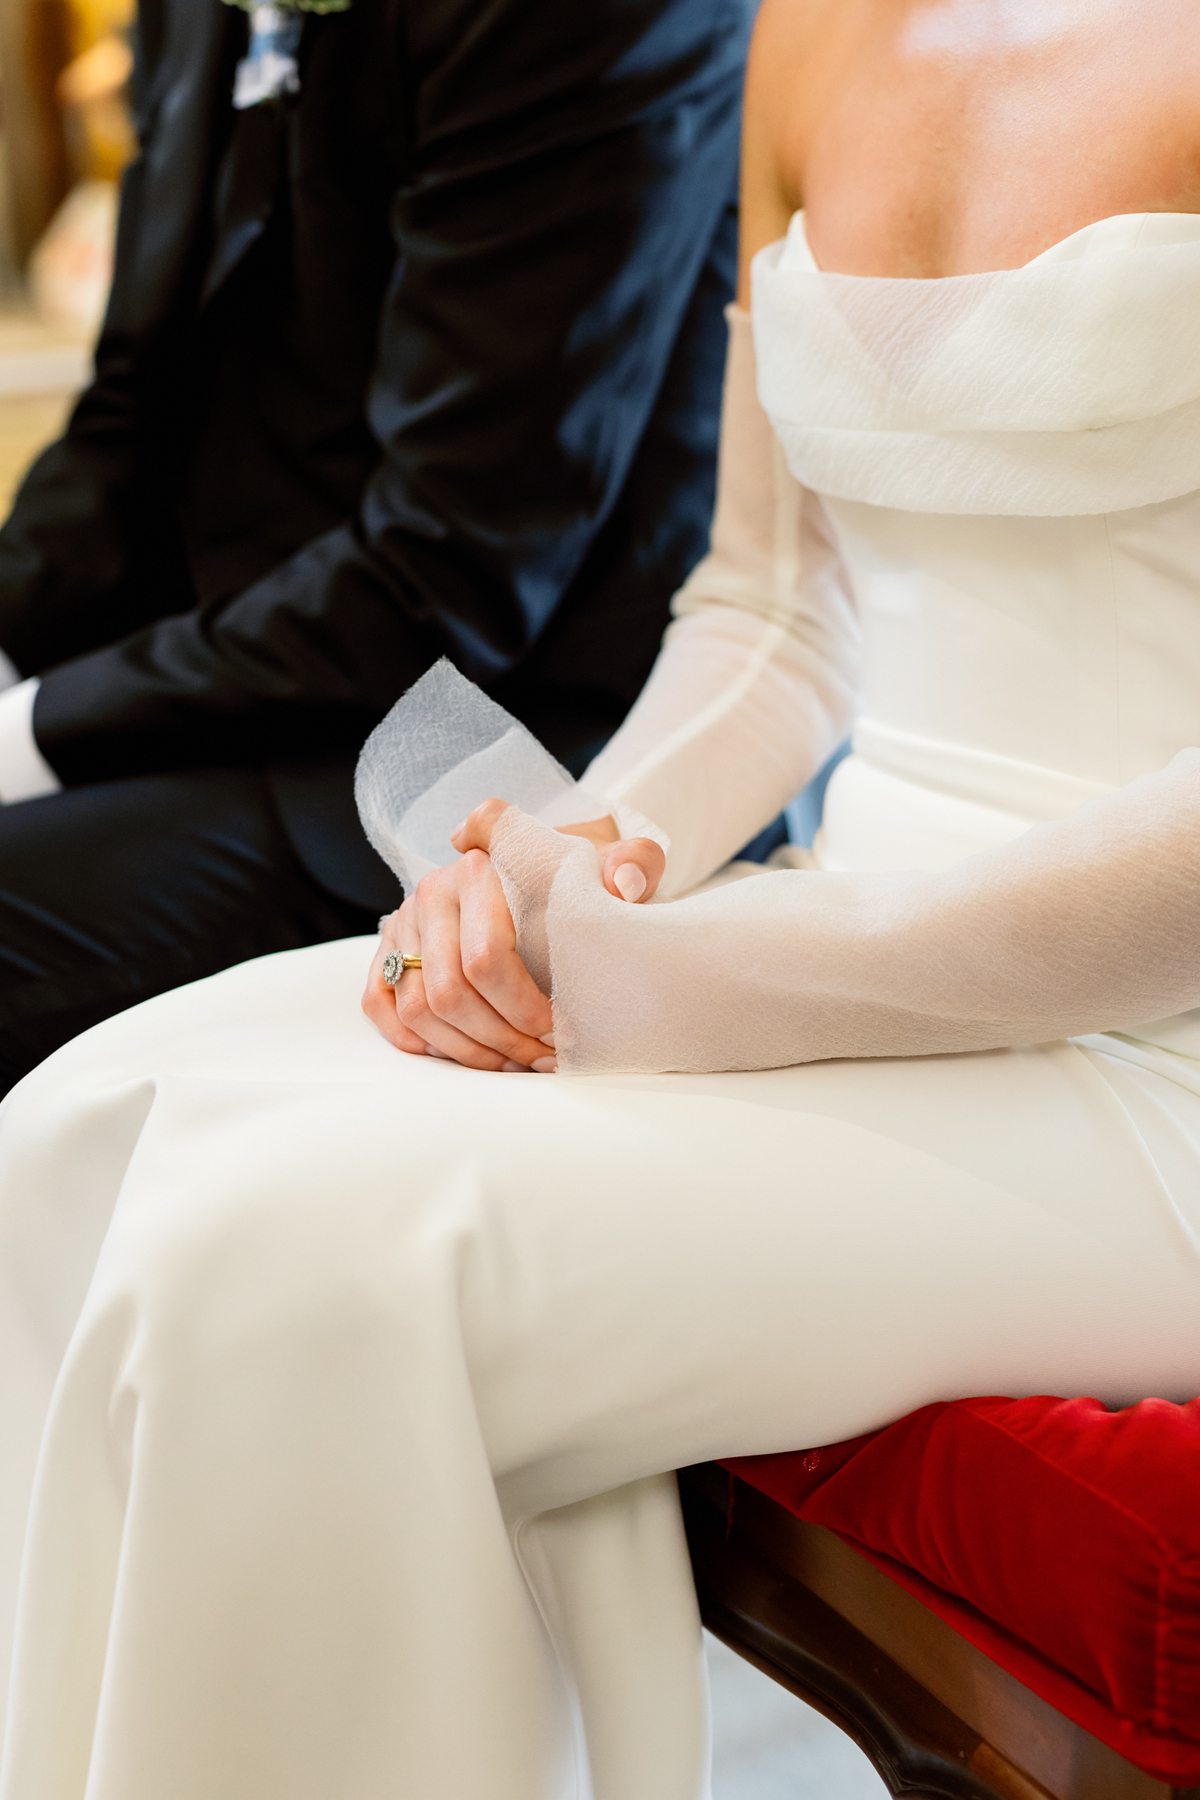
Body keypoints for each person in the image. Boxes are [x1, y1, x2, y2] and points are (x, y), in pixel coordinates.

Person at [5, 1, 1200, 1796]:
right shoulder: (813, 28)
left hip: (1149, 1053)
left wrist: (716, 978)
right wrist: (576, 860)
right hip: (820, 937)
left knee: (284, 1267)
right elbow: (775, 612)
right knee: (81, 1122)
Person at [0, 0, 750, 1093]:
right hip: (226, 689)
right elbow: (130, 420)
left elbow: (443, 572)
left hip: (487, 749)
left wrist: (24, 738)